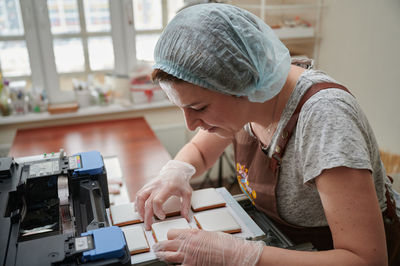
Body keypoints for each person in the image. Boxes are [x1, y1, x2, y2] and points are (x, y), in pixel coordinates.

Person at [135, 3, 400, 266]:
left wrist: (243, 256)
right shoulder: (252, 99)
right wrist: (177, 170)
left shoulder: (325, 119)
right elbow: (201, 152)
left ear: (240, 84)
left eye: (199, 108)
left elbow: (367, 259)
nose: (190, 124)